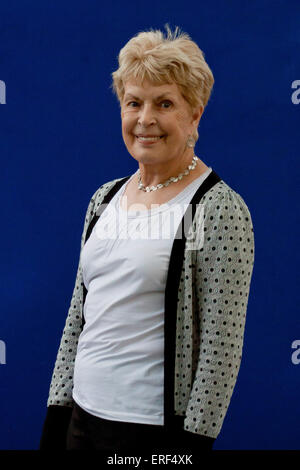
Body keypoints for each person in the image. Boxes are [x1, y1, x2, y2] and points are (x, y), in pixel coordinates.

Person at [39, 25, 255, 455]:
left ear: (195, 114)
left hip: (150, 432)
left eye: (165, 103)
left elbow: (220, 348)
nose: (145, 119)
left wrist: (190, 446)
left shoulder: (218, 208)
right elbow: (78, 317)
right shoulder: (104, 198)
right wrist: (57, 412)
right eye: (133, 103)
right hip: (80, 420)